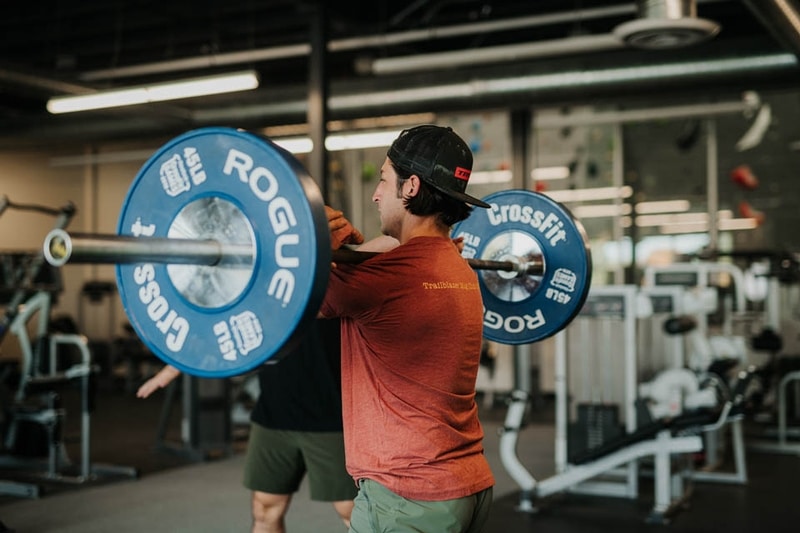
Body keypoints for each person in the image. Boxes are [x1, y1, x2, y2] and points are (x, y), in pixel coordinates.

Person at [319, 124, 495, 533]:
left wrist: (308, 232)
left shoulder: (390, 278)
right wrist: (350, 247)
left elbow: (292, 294)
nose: (375, 194)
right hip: (465, 483)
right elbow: (391, 262)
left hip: (407, 495)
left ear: (411, 186)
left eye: (383, 180)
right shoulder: (456, 266)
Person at [137, 318, 357, 533]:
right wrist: (172, 368)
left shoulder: (341, 284)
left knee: (352, 512)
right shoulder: (265, 295)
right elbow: (219, 329)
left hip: (332, 420)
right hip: (273, 417)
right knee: (264, 511)